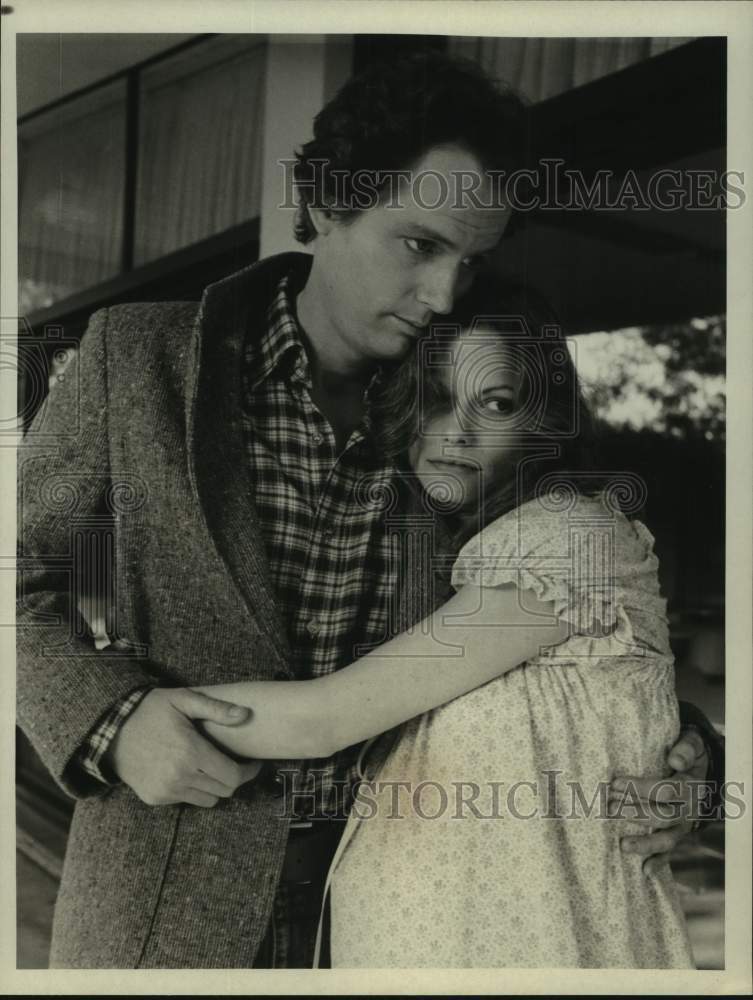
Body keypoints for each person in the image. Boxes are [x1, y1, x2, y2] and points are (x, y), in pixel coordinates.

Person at [16, 50, 719, 969]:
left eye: (471, 261)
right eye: (420, 245)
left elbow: (559, 634)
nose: (442, 296)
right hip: (165, 899)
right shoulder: (137, 357)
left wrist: (681, 758)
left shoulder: (468, 415)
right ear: (323, 205)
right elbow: (22, 586)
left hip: (408, 908)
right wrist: (113, 721)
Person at [188, 282, 697, 967]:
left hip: (539, 951)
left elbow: (325, 719)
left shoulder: (570, 536)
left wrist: (141, 715)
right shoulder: (453, 549)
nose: (455, 432)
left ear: (538, 422)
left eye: (494, 403)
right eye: (433, 400)